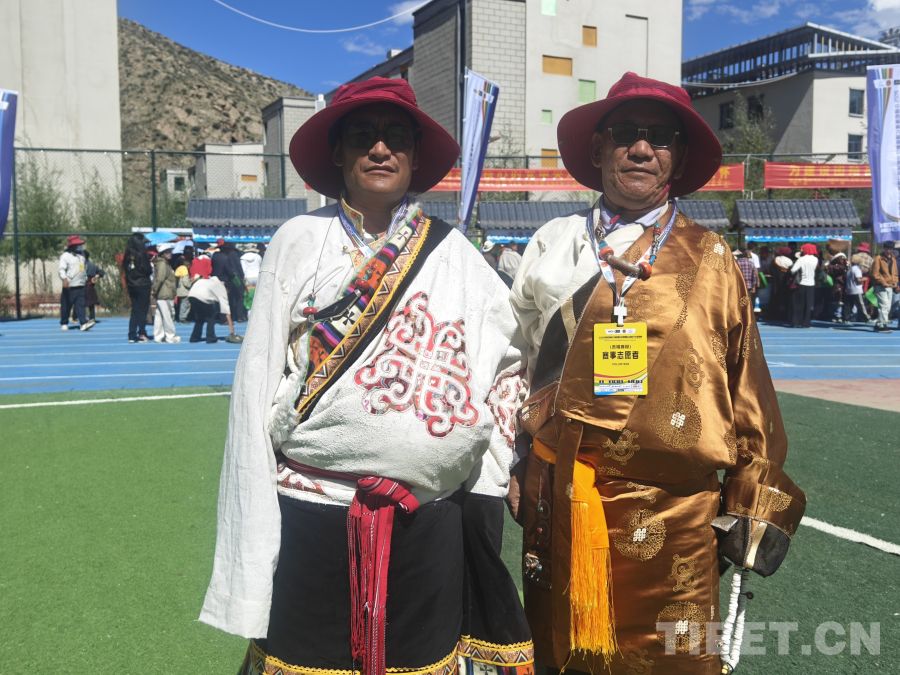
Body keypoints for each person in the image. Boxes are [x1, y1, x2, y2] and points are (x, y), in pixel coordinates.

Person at [199, 77, 533, 675]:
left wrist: (485, 456)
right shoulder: (300, 241)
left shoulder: (456, 254)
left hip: (427, 523)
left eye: (396, 137)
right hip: (314, 515)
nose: (380, 149)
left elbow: (510, 360)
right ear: (338, 152)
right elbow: (255, 386)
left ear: (414, 155)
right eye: (363, 136)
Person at [508, 72, 806, 675]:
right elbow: (513, 366)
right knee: (561, 657)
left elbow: (747, 384)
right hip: (561, 500)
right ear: (598, 148)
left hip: (678, 516)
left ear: (679, 156)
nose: (642, 149)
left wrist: (757, 496)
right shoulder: (551, 244)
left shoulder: (713, 258)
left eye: (661, 137)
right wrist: (514, 463)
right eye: (626, 133)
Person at [58, 235, 95, 332]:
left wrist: (85, 278)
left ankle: (83, 323)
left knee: (81, 305)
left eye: (80, 244)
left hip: (81, 285)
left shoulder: (82, 255)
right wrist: (64, 279)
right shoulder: (65, 256)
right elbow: (62, 269)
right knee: (67, 305)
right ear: (72, 246)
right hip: (70, 285)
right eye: (78, 244)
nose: (80, 246)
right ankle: (64, 322)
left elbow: (84, 267)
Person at [123, 233, 153, 343]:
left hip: (132, 285)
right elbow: (147, 270)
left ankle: (131, 335)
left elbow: (126, 271)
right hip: (143, 285)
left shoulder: (128, 255)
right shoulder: (141, 255)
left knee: (135, 310)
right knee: (142, 311)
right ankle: (142, 334)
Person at [187, 275, 235, 343]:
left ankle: (194, 337)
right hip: (203, 297)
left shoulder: (206, 281)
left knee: (200, 317)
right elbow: (226, 307)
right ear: (227, 288)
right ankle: (211, 337)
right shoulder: (221, 286)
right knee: (211, 316)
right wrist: (230, 325)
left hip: (191, 296)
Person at [151, 243, 181, 343]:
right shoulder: (163, 264)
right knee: (168, 315)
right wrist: (154, 290)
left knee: (159, 316)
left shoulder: (163, 263)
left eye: (170, 251)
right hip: (165, 293)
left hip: (163, 293)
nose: (170, 253)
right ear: (162, 254)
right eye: (167, 252)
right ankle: (171, 336)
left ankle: (158, 336)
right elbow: (160, 279)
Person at [871, 240, 898, 333]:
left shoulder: (893, 259)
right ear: (883, 248)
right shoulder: (878, 258)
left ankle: (880, 323)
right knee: (884, 305)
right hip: (881, 286)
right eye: (887, 248)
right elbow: (875, 273)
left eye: (890, 249)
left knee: (888, 306)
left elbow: (895, 273)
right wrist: (882, 282)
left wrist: (895, 282)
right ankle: (882, 325)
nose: (888, 251)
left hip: (890, 286)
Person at [790, 243, 819, 328]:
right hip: (811, 284)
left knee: (799, 303)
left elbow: (793, 270)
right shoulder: (816, 259)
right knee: (808, 304)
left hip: (801, 283)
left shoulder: (801, 259)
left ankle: (795, 322)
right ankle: (805, 323)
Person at [824, 241, 849, 323]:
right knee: (835, 297)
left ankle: (837, 315)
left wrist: (828, 267)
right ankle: (835, 314)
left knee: (838, 297)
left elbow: (840, 268)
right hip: (836, 280)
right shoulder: (838, 257)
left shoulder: (840, 257)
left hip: (839, 280)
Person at [843, 254, 868, 324]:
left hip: (850, 290)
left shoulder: (850, 270)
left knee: (848, 305)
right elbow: (858, 279)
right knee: (861, 305)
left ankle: (846, 319)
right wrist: (865, 278)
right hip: (857, 290)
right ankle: (867, 318)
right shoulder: (857, 269)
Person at [83, 250, 105, 323]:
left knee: (81, 301)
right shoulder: (92, 265)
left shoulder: (81, 265)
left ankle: (80, 318)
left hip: (83, 285)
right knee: (91, 302)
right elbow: (101, 273)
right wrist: (94, 277)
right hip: (90, 286)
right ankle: (92, 317)